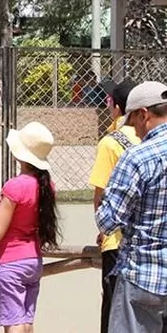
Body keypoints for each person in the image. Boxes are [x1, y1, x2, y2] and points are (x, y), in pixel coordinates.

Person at [0, 121, 60, 333]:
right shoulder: (47, 186)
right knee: (26, 321)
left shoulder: (15, 186)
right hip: (32, 260)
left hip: (10, 261)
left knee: (14, 322)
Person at [97, 81, 167, 333]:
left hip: (142, 275)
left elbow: (108, 220)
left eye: (133, 120)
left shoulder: (137, 158)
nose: (134, 128)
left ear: (143, 114)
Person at [88, 78, 140, 333]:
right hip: (147, 242)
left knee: (113, 312)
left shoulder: (111, 143)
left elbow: (100, 195)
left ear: (119, 109)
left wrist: (103, 229)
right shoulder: (155, 140)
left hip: (117, 242)